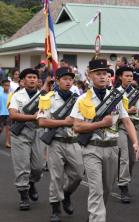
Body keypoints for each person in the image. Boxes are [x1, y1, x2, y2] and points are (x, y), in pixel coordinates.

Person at [70, 58, 139, 222]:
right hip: (92, 149)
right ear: (90, 76)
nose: (103, 77)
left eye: (106, 74)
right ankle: (97, 218)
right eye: (98, 74)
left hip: (112, 148)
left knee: (107, 188)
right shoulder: (82, 100)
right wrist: (101, 124)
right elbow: (77, 127)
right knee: (96, 189)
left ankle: (95, 214)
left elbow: (126, 120)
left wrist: (135, 142)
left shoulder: (117, 97)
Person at [37, 67, 84, 221]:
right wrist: (65, 122)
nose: (68, 81)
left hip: (74, 141)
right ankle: (55, 208)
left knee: (77, 175)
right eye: (64, 79)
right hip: (55, 142)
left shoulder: (79, 99)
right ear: (57, 81)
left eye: (70, 79)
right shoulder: (47, 98)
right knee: (56, 177)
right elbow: (42, 121)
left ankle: (67, 194)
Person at [9, 68, 44, 211]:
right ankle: (24, 195)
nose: (32, 79)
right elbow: (13, 115)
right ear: (22, 81)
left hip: (37, 133)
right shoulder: (16, 96)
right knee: (22, 166)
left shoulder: (43, 97)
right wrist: (33, 117)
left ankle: (31, 182)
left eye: (34, 77)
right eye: (29, 77)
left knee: (38, 167)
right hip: (21, 134)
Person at [115, 66, 139, 203]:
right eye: (127, 76)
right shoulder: (115, 93)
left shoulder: (136, 92)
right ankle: (123, 185)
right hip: (121, 126)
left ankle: (124, 177)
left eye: (131, 76)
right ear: (120, 77)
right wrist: (127, 111)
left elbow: (138, 111)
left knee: (132, 158)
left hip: (134, 126)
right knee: (124, 156)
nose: (129, 78)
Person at [0, 79, 11, 147]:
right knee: (0, 129)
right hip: (1, 114)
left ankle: (7, 142)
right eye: (6, 85)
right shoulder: (0, 94)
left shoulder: (11, 95)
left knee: (8, 129)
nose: (7, 87)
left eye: (8, 85)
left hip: (8, 114)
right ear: (3, 86)